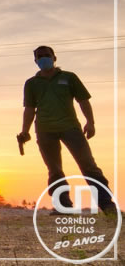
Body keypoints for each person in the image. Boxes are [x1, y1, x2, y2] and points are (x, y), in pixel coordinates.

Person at [18, 45, 117, 215]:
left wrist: (90, 122)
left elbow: (83, 100)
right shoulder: (31, 83)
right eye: (39, 57)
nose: (43, 59)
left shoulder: (69, 78)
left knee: (88, 166)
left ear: (54, 58)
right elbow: (29, 109)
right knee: (54, 169)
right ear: (35, 61)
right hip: (44, 130)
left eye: (47, 55)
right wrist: (24, 131)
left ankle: (107, 206)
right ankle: (64, 206)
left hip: (71, 128)